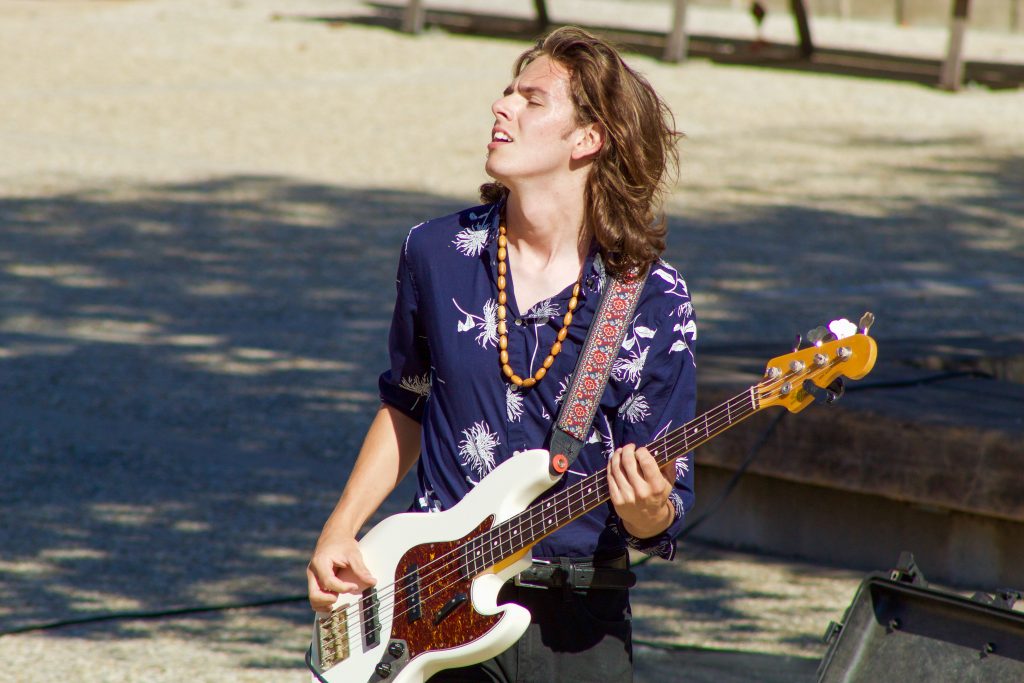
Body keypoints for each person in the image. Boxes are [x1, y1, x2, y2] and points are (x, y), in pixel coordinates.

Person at [307, 26, 697, 683]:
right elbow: (406, 403)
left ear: (588, 138)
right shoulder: (436, 253)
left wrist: (646, 509)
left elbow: (664, 505)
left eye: (531, 99)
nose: (502, 105)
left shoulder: (653, 298)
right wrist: (340, 529)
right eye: (507, 92)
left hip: (578, 624)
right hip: (431, 608)